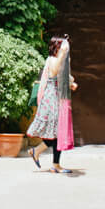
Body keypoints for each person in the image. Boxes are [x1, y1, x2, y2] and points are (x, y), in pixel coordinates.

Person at [26, 36, 77, 173]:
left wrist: (71, 83)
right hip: (51, 99)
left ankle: (42, 155)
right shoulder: (52, 59)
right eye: (61, 47)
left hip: (57, 98)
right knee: (56, 132)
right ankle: (53, 163)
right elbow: (54, 72)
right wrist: (62, 55)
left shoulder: (59, 60)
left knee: (56, 132)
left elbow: (62, 76)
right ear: (57, 48)